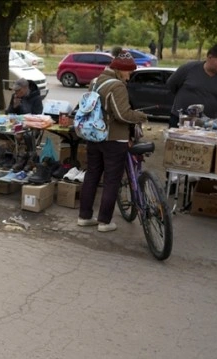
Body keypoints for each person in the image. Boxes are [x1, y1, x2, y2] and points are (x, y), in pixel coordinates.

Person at [78, 49, 148, 232]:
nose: (130, 76)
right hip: (113, 139)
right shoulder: (116, 86)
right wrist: (140, 116)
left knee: (92, 175)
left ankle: (84, 217)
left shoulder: (95, 82)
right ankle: (104, 221)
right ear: (120, 69)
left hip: (93, 136)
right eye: (129, 71)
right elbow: (122, 115)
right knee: (111, 180)